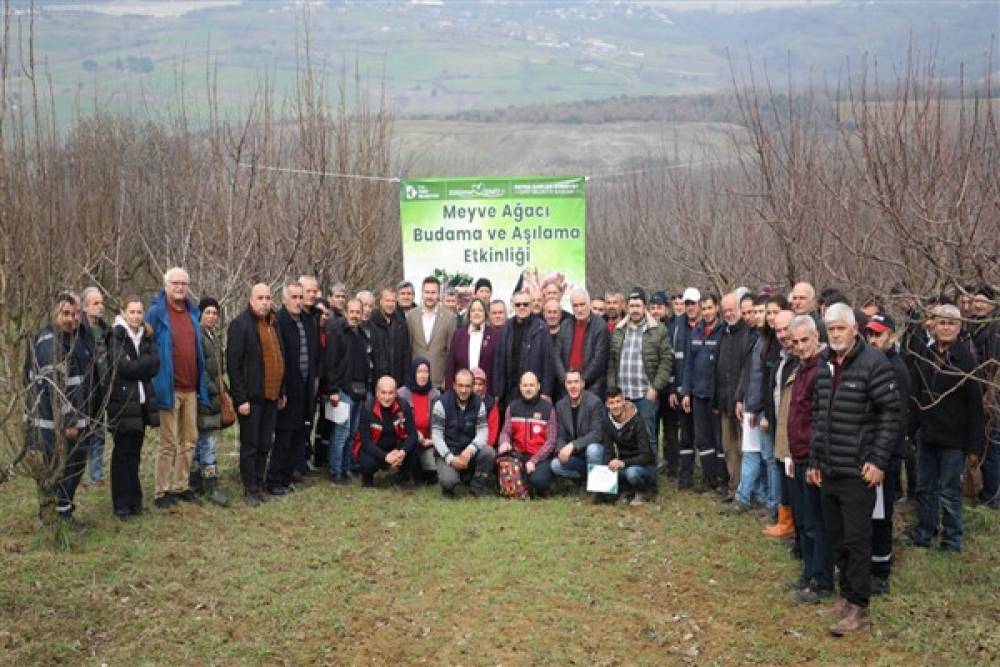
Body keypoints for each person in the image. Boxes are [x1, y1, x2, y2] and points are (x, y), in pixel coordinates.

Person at [808, 303, 899, 636]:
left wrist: (878, 460)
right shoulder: (824, 364)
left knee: (859, 540)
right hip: (830, 467)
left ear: (854, 329)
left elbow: (891, 415)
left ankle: (859, 609)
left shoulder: (873, 364)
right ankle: (846, 597)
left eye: (840, 328)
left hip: (859, 470)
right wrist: (816, 461)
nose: (834, 334)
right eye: (830, 329)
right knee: (837, 538)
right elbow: (819, 416)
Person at [908, 304, 985, 553]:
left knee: (949, 492)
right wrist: (912, 430)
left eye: (951, 323)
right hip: (927, 435)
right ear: (934, 326)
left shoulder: (965, 360)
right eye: (942, 323)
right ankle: (925, 532)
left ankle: (952, 540)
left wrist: (973, 447)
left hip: (954, 439)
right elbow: (916, 396)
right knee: (925, 487)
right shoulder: (926, 354)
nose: (946, 327)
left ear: (959, 327)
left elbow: (975, 408)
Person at [24, 292, 96, 526]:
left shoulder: (73, 339)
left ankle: (60, 514)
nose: (71, 319)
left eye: (75, 314)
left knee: (72, 469)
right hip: (56, 424)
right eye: (65, 313)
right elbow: (55, 389)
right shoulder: (50, 343)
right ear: (54, 313)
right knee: (63, 469)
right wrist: (69, 421)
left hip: (75, 416)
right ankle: (59, 518)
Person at [146, 267, 210, 509]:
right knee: (168, 442)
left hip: (191, 387)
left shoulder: (193, 313)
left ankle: (181, 485)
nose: (180, 287)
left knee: (189, 440)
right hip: (168, 388)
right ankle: (161, 491)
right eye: (175, 283)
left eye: (184, 283)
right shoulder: (156, 314)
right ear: (166, 286)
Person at [785, 315, 834, 604]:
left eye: (805, 340)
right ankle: (809, 573)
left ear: (817, 336)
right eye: (796, 342)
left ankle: (822, 581)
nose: (801, 346)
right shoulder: (801, 368)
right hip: (799, 453)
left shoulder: (822, 370)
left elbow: (821, 420)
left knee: (818, 522)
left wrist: (815, 461)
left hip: (814, 458)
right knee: (804, 521)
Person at [227, 283, 286, 507]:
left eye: (268, 297)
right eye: (260, 297)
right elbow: (234, 365)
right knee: (250, 445)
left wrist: (282, 391)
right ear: (251, 299)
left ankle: (260, 484)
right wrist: (240, 399)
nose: (264, 302)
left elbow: (280, 359)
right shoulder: (240, 325)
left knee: (264, 443)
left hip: (272, 396)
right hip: (251, 398)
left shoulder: (274, 323)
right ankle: (249, 488)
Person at [863, 313, 910, 593]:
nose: (873, 339)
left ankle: (881, 572)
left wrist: (882, 457)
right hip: (871, 452)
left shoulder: (896, 369)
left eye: (878, 334)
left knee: (881, 515)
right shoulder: (874, 363)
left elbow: (897, 418)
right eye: (869, 334)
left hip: (886, 456)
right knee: (871, 513)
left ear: (891, 336)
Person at [606, 288, 672, 477]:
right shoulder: (619, 330)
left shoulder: (657, 330)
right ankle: (628, 480)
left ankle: (648, 481)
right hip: (623, 396)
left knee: (649, 437)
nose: (635, 309)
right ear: (627, 307)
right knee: (625, 440)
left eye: (638, 305)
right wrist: (613, 392)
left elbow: (667, 360)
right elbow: (612, 362)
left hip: (645, 394)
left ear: (644, 307)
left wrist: (655, 387)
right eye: (632, 305)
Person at [106, 296, 160, 519]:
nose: (136, 316)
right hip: (122, 404)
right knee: (122, 456)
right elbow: (123, 367)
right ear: (123, 312)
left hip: (141, 405)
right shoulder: (116, 335)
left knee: (135, 455)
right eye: (132, 312)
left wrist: (138, 366)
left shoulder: (146, 336)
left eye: (139, 312)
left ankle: (134, 500)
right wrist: (142, 366)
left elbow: (155, 364)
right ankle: (121, 503)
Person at [269, 282, 320, 496]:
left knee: (300, 434)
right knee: (284, 436)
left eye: (301, 297)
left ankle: (290, 474)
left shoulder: (308, 322)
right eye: (294, 297)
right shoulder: (279, 323)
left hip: (307, 388)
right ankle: (274, 479)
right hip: (288, 389)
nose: (298, 301)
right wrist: (282, 391)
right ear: (284, 299)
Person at [322, 298, 374, 484]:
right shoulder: (337, 332)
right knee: (341, 432)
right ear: (345, 312)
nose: (355, 316)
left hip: (359, 390)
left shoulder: (361, 334)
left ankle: (345, 467)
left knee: (352, 433)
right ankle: (335, 470)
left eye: (358, 312)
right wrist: (333, 390)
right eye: (351, 312)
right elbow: (330, 363)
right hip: (342, 390)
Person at [682, 292, 724, 492]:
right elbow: (689, 364)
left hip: (715, 396)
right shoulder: (696, 331)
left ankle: (723, 479)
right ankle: (709, 479)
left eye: (710, 308)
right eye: (704, 308)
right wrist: (686, 392)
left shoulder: (723, 332)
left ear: (717, 308)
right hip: (697, 394)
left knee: (720, 439)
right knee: (703, 439)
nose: (707, 312)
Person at [431, 368, 495, 497]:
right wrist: (450, 458)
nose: (464, 390)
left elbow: (483, 431)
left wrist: (470, 450)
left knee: (489, 452)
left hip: (468, 452)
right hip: (448, 452)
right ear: (454, 385)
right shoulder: (441, 404)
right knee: (449, 482)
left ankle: (477, 487)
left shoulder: (479, 404)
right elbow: (436, 436)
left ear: (472, 387)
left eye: (467, 386)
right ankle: (449, 486)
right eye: (460, 385)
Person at [763, 309, 798, 539]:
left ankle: (794, 525)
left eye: (787, 329)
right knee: (785, 475)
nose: (783, 334)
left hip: (796, 430)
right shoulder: (781, 358)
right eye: (778, 330)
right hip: (779, 425)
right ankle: (785, 520)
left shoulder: (801, 360)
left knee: (794, 479)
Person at [715, 292, 753, 499]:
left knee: (744, 448)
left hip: (742, 402)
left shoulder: (749, 335)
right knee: (729, 448)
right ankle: (734, 485)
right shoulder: (724, 333)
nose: (729, 313)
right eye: (726, 310)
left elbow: (747, 371)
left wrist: (741, 398)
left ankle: (746, 491)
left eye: (732, 309)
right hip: (724, 401)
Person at [193, 297, 230, 507]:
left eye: (215, 313)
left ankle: (198, 480)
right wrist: (212, 389)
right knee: (206, 442)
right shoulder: (198, 336)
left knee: (204, 440)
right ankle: (210, 484)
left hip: (214, 395)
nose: (212, 316)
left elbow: (217, 368)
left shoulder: (213, 336)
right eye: (207, 312)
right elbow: (201, 369)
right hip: (204, 396)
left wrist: (224, 388)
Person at [493, 289, 556, 412]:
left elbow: (549, 363)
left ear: (531, 305)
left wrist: (546, 392)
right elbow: (498, 362)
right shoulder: (506, 328)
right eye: (518, 304)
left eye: (525, 304)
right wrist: (497, 392)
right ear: (513, 306)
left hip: (534, 393)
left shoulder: (541, 328)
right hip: (509, 393)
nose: (522, 307)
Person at [497, 372, 557, 496]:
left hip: (540, 457)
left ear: (538, 386)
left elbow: (551, 441)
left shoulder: (548, 409)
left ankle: (531, 486)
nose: (528, 388)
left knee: (538, 481)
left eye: (531, 385)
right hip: (518, 455)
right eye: (525, 385)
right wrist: (504, 442)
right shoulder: (512, 407)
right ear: (520, 387)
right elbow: (505, 432)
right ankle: (519, 487)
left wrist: (534, 461)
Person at [595, 386, 657, 505]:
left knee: (632, 473)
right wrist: (608, 466)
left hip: (644, 466)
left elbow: (647, 456)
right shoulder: (607, 422)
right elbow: (608, 450)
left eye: (618, 401)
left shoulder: (638, 421)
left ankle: (644, 491)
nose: (615, 406)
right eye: (611, 403)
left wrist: (623, 463)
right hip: (625, 464)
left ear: (624, 401)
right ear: (607, 404)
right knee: (609, 469)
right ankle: (625, 491)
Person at [356, 376, 419, 488]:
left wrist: (402, 452)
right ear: (377, 393)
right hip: (375, 448)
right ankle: (367, 478)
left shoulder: (404, 405)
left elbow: (413, 434)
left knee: (413, 448)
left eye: (390, 393)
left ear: (396, 393)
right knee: (367, 463)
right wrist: (385, 457)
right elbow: (366, 442)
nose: (387, 397)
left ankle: (403, 477)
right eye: (383, 393)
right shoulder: (367, 407)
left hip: (396, 448)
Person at [667, 288, 701, 484]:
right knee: (685, 434)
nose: (689, 307)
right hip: (680, 390)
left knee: (704, 436)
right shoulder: (676, 326)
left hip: (702, 391)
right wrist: (672, 389)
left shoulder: (706, 325)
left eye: (693, 303)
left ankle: (709, 476)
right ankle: (685, 475)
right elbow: (671, 359)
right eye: (686, 303)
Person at [550, 369, 606, 484]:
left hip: (595, 452)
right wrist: (561, 450)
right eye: (569, 382)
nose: (573, 386)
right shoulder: (560, 405)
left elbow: (597, 433)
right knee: (555, 465)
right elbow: (561, 434)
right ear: (565, 385)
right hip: (577, 456)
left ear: (582, 384)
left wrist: (572, 445)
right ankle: (586, 481)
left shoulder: (595, 402)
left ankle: (598, 487)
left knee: (593, 450)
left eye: (576, 382)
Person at [554, 288, 609, 399]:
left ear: (589, 305)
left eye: (582, 304)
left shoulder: (600, 326)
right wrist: (566, 381)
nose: (579, 309)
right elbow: (556, 355)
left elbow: (599, 360)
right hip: (567, 388)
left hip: (592, 388)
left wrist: (579, 382)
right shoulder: (565, 325)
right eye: (575, 305)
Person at [80, 286, 110, 489]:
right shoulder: (77, 331)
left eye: (101, 303)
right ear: (84, 307)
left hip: (101, 390)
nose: (100, 307)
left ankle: (96, 475)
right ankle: (78, 477)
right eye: (95, 303)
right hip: (81, 392)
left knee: (98, 434)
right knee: (81, 436)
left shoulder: (106, 330)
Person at [406, 276, 456, 389]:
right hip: (416, 380)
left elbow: (451, 351)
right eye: (427, 292)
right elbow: (408, 349)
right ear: (422, 293)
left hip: (438, 381)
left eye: (433, 292)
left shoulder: (449, 318)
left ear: (439, 294)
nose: (429, 296)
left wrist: (447, 378)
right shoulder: (411, 316)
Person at [397, 357, 440, 482]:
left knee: (432, 471)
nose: (423, 375)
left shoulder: (436, 395)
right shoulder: (401, 394)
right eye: (419, 371)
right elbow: (398, 421)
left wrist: (431, 441)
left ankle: (422, 469)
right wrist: (414, 433)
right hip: (407, 439)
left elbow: (441, 424)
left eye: (426, 371)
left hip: (428, 442)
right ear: (413, 372)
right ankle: (406, 471)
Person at [445, 297, 499, 396]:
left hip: (486, 392)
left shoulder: (494, 335)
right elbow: (451, 365)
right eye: (473, 310)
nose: (476, 313)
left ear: (485, 314)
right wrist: (449, 392)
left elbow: (497, 367)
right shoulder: (458, 334)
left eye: (480, 310)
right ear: (469, 314)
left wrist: (496, 393)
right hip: (462, 391)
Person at [370, 286, 411, 388]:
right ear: (380, 301)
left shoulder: (401, 324)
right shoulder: (371, 322)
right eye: (387, 300)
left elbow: (406, 354)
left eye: (393, 301)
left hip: (397, 381)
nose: (390, 304)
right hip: (377, 380)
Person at [471, 366, 501, 448]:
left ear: (485, 385)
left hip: (484, 446)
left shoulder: (490, 404)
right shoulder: (462, 401)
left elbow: (493, 430)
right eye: (474, 384)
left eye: (480, 384)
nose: (477, 388)